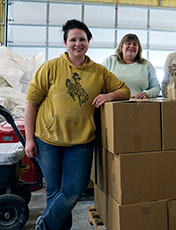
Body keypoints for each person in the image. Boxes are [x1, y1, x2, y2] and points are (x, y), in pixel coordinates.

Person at [24, 19, 130, 230]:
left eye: (82, 39)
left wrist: (110, 95)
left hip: (81, 141)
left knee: (73, 190)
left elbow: (124, 90)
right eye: (73, 39)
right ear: (65, 43)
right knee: (55, 192)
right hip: (48, 140)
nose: (77, 44)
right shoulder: (51, 67)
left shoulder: (99, 72)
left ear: (88, 41)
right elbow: (31, 102)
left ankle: (43, 227)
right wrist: (28, 138)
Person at [103, 33, 160, 99]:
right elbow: (98, 82)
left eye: (135, 44)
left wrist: (146, 93)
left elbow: (156, 87)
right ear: (121, 46)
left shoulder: (147, 65)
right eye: (128, 43)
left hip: (139, 104)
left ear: (138, 48)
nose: (132, 46)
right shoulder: (109, 61)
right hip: (114, 102)